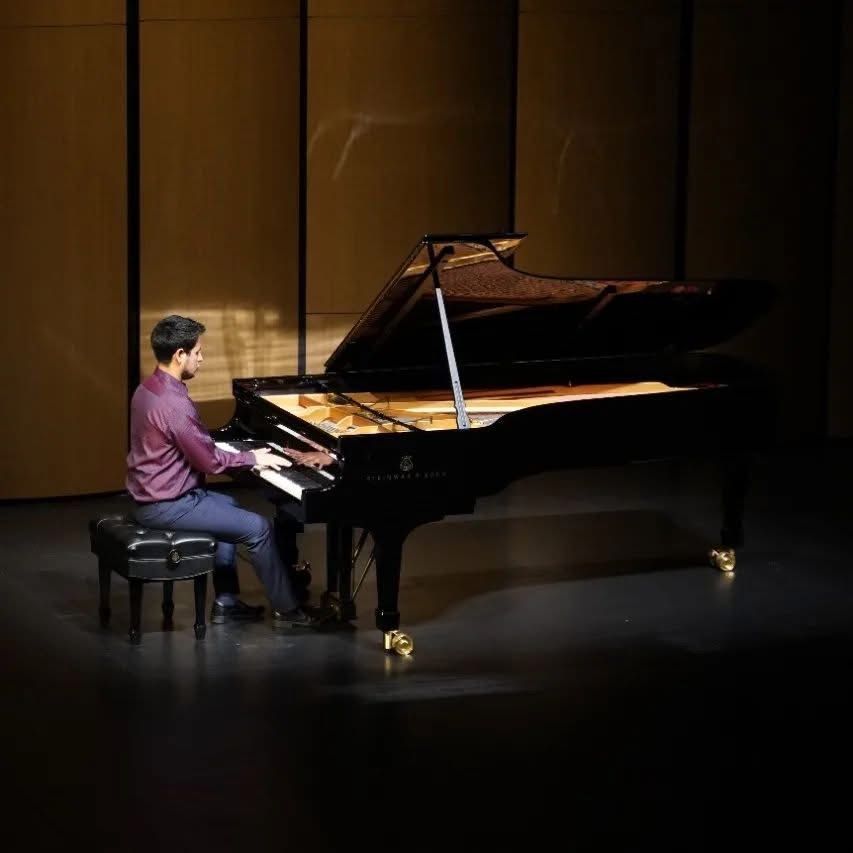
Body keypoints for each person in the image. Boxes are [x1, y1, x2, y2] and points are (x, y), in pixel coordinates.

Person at [126, 314, 330, 629]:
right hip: (167, 505)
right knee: (259, 528)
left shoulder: (147, 389)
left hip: (150, 497)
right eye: (197, 352)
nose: (201, 358)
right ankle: (289, 611)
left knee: (230, 506)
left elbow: (193, 447)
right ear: (179, 355)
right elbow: (209, 461)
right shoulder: (174, 404)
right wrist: (251, 458)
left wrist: (241, 456)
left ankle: (226, 602)